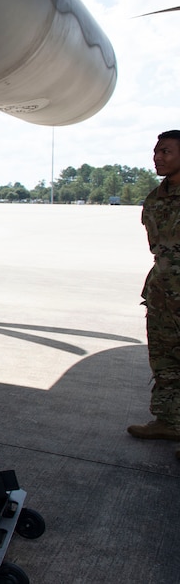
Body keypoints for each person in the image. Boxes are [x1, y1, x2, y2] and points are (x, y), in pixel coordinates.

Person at [129, 130, 180, 458]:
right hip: (163, 295)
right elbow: (157, 247)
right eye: (156, 152)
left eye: (166, 152)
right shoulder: (155, 198)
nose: (157, 157)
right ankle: (169, 421)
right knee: (165, 362)